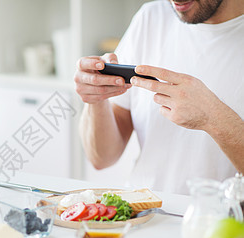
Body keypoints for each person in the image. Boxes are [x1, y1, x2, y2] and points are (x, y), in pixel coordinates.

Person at [75, 0, 244, 195]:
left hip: (221, 221)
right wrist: (97, 98)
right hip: (144, 214)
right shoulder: (152, 17)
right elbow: (102, 158)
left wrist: (213, 118)